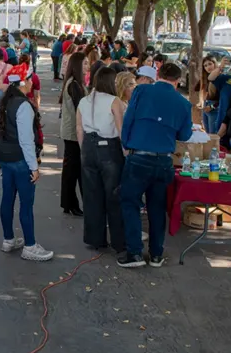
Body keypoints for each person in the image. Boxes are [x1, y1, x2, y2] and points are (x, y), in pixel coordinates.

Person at [119, 63, 192, 268]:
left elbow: (128, 119)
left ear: (158, 74)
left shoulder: (142, 90)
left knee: (130, 202)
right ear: (177, 81)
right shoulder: (183, 103)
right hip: (163, 159)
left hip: (139, 155)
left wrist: (127, 143)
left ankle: (134, 253)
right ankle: (156, 254)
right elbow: (185, 135)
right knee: (157, 207)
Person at [0, 75, 53, 261]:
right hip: (20, 159)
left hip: (4, 156)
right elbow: (26, 140)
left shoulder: (4, 101)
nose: (31, 84)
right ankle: (30, 245)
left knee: (7, 197)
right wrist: (34, 166)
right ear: (23, 83)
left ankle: (8, 239)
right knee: (26, 204)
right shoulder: (23, 106)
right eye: (29, 81)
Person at [77, 67, 127, 252]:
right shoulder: (115, 101)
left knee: (92, 196)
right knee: (114, 195)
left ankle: (94, 238)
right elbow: (121, 129)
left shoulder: (84, 100)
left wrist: (85, 150)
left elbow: (79, 128)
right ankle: (119, 242)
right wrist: (126, 152)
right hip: (109, 148)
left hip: (88, 148)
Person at [59, 51, 86, 217]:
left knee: (71, 170)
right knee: (72, 171)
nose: (87, 67)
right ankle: (70, 203)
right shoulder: (74, 84)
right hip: (73, 133)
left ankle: (69, 202)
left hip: (73, 132)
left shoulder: (74, 83)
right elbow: (80, 110)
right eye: (85, 64)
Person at [199, 56, 219, 133]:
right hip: (206, 105)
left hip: (214, 107)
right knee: (207, 134)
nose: (208, 67)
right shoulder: (206, 77)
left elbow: (224, 99)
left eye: (210, 64)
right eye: (205, 65)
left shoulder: (219, 77)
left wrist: (212, 106)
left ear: (215, 64)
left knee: (212, 136)